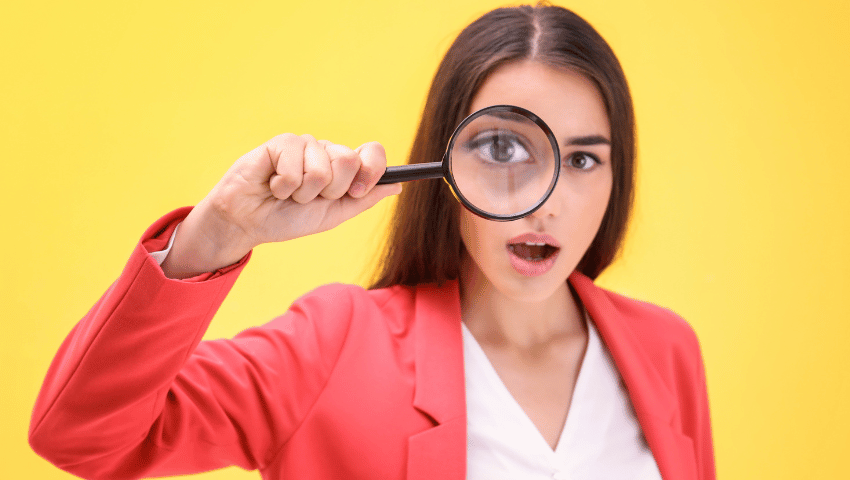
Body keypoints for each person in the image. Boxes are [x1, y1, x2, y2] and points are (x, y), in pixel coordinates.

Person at [29, 4, 715, 480]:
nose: (552, 201)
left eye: (586, 158)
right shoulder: (333, 344)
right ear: (444, 160)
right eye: (504, 146)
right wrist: (215, 234)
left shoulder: (666, 350)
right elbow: (80, 436)